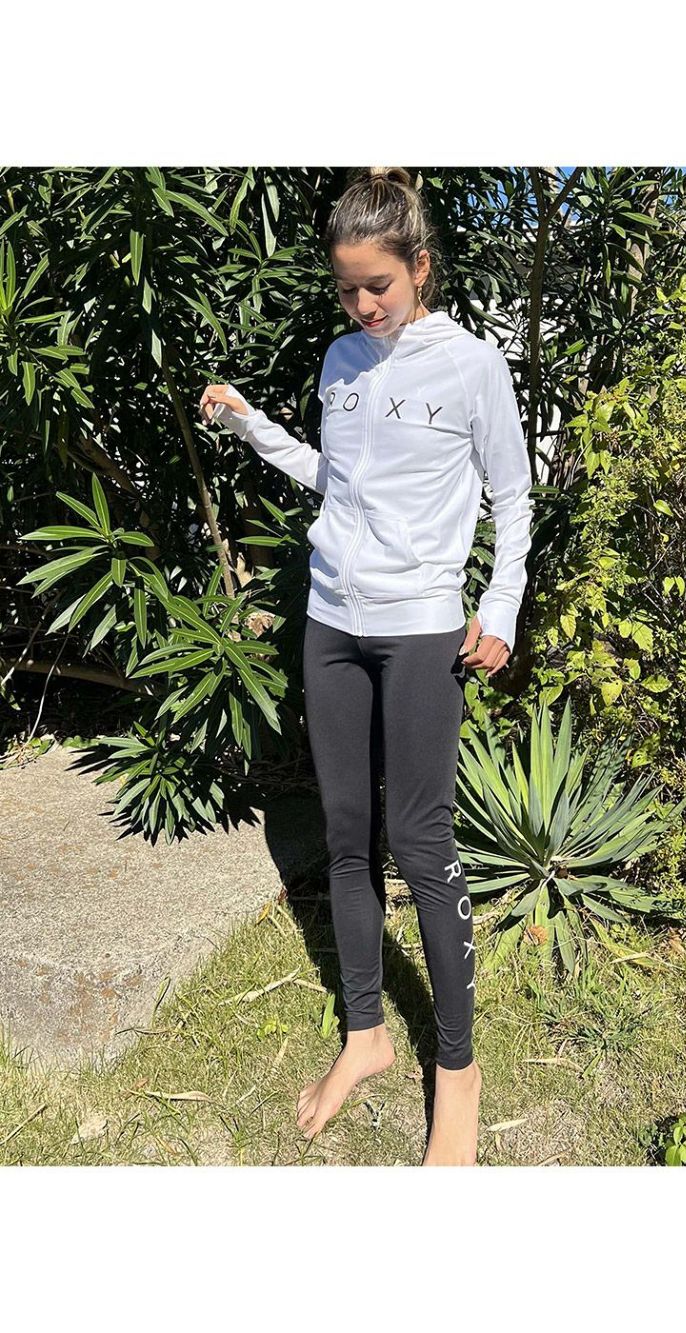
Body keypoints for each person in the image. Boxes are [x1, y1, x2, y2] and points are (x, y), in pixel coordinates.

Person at [199, 166, 533, 1166]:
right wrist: (251, 424)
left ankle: (458, 1070)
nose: (362, 305)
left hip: (421, 627)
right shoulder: (341, 358)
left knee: (420, 844)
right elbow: (335, 478)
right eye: (347, 288)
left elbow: (512, 495)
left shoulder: (471, 366)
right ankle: (366, 1034)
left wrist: (500, 607)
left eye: (378, 285)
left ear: (419, 267)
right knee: (347, 838)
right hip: (330, 622)